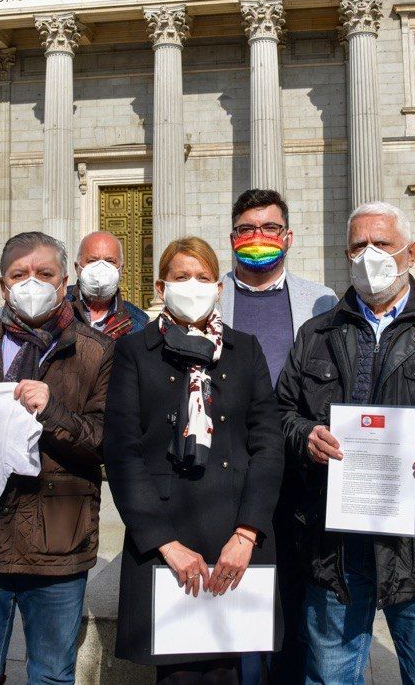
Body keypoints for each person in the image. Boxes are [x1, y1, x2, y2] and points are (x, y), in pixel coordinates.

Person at [277, 201, 415, 685]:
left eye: (381, 243)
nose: (368, 255)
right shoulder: (316, 334)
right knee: (330, 677)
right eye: (359, 245)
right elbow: (281, 416)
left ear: (412, 252)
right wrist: (304, 438)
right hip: (335, 547)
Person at [104, 236, 285, 684]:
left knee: (236, 666)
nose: (193, 285)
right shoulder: (134, 351)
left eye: (203, 277)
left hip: (235, 532)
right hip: (167, 534)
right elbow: (123, 453)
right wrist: (166, 543)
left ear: (219, 288)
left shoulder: (246, 350)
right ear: (161, 288)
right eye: (181, 277)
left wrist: (247, 534)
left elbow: (268, 443)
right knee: (179, 672)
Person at [0, 232, 113, 684]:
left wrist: (52, 412)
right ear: (2, 286)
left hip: (57, 541)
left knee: (51, 676)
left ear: (65, 282)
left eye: (44, 274)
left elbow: (104, 441)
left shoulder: (96, 351)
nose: (32, 283)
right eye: (19, 275)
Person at [218, 188, 336, 681]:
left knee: (292, 596)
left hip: (298, 475)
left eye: (270, 228)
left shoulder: (321, 302)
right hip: (228, 476)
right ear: (232, 239)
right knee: (232, 597)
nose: (259, 237)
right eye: (248, 229)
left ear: (288, 237)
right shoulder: (209, 296)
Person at [70, 229, 148, 338]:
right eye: (92, 260)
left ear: (121, 270)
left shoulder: (138, 323)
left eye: (110, 261)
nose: (101, 268)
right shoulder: (57, 307)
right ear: (77, 268)